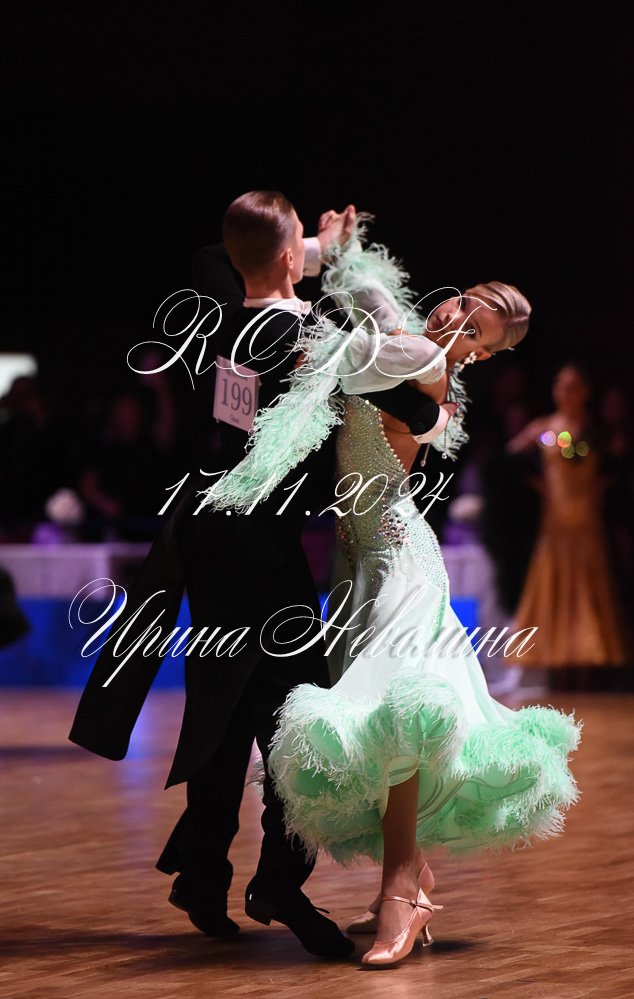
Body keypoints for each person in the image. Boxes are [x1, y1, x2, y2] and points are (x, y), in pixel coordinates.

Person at [69, 193, 449, 959]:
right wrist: (339, 262)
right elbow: (417, 404)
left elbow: (218, 255)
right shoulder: (312, 336)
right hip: (261, 550)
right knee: (294, 714)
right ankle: (276, 879)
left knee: (224, 708)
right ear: (287, 255)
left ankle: (205, 872)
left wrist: (304, 249)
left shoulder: (214, 317)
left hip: (206, 536)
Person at [208, 219, 582, 967]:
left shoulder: (424, 359)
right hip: (358, 560)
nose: (458, 319)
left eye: (477, 329)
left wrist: (324, 277)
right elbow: (370, 301)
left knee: (401, 712)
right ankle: (413, 879)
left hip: (398, 556)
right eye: (465, 303)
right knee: (386, 720)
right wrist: (337, 248)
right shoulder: (413, 343)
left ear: (481, 354)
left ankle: (401, 893)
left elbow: (348, 351)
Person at [508, 364, 628, 685]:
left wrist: (604, 485)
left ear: (585, 392)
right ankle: (556, 665)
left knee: (587, 586)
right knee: (555, 584)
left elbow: (618, 463)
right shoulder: (544, 428)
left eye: (573, 386)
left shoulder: (596, 431)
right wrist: (536, 484)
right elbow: (508, 461)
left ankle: (587, 662)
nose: (566, 393)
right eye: (561, 385)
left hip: (588, 521)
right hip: (555, 522)